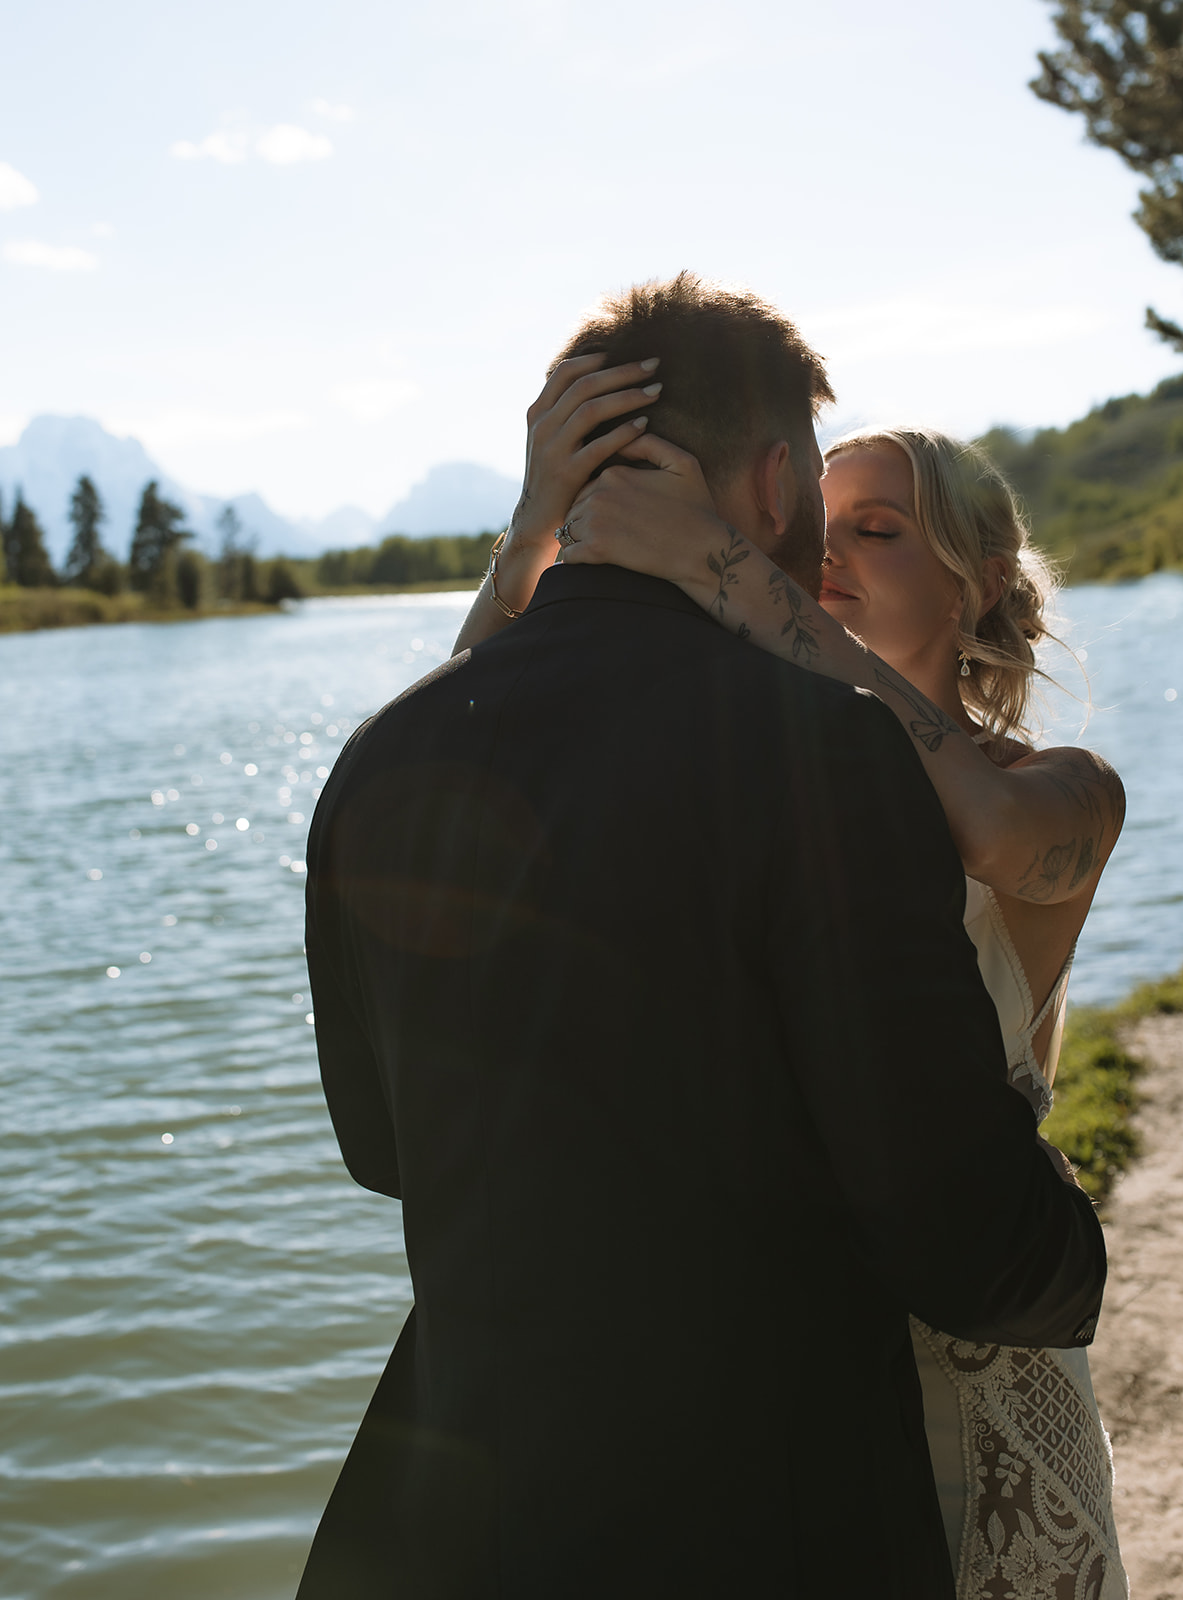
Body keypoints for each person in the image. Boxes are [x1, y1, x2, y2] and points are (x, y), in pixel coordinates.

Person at [298, 273, 1107, 1600]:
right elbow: (972, 1239)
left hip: (460, 1526)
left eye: (887, 532)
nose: (835, 560)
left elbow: (383, 1147)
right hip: (770, 1515)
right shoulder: (815, 759)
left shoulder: (386, 755)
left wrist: (556, 536)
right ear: (776, 483)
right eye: (827, 517)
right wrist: (1067, 1248)